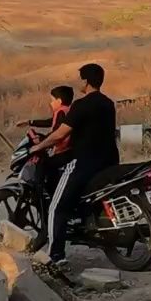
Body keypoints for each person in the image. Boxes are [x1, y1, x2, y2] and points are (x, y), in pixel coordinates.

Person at [34, 63, 119, 267]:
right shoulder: (108, 103)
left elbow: (61, 134)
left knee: (57, 206)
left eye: (81, 78)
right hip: (109, 160)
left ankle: (56, 255)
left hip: (84, 162)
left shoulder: (81, 105)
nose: (79, 82)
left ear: (86, 81)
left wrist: (38, 147)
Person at [16, 85, 74, 197]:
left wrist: (43, 140)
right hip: (66, 150)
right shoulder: (67, 111)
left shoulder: (61, 112)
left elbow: (57, 132)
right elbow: (51, 122)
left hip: (64, 151)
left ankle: (40, 192)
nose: (50, 103)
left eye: (52, 100)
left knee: (42, 165)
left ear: (59, 101)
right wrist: (30, 122)